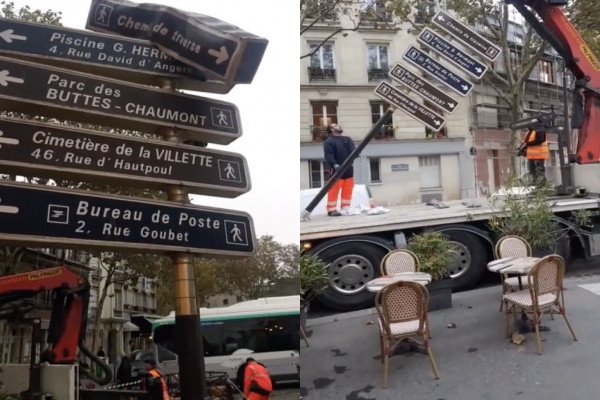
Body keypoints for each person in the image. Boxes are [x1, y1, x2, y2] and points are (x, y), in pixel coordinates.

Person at [323, 123, 356, 216]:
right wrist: (334, 164)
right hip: (336, 170)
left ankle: (345, 207)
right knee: (334, 189)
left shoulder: (347, 139)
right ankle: (331, 209)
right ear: (331, 129)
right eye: (335, 125)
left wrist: (354, 157)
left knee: (348, 188)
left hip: (348, 168)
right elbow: (328, 155)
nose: (338, 126)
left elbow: (353, 151)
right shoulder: (329, 141)